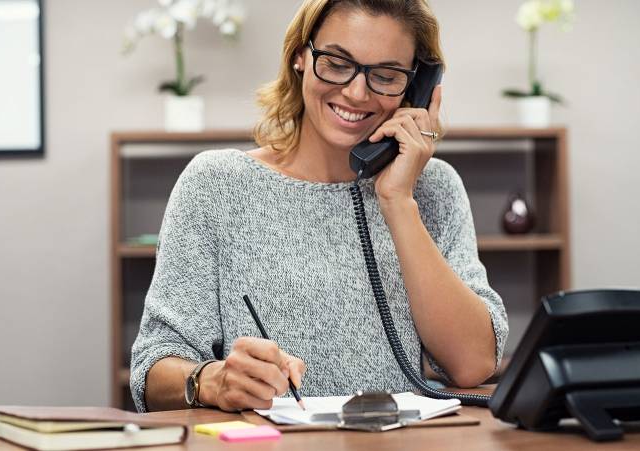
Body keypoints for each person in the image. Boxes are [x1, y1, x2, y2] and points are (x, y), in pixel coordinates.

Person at [130, 0, 508, 413]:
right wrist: (211, 381)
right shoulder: (215, 183)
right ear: (300, 56)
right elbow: (151, 368)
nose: (356, 91)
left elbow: (472, 365)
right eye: (336, 62)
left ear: (416, 87)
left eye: (385, 75)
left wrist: (397, 201)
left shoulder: (433, 188)